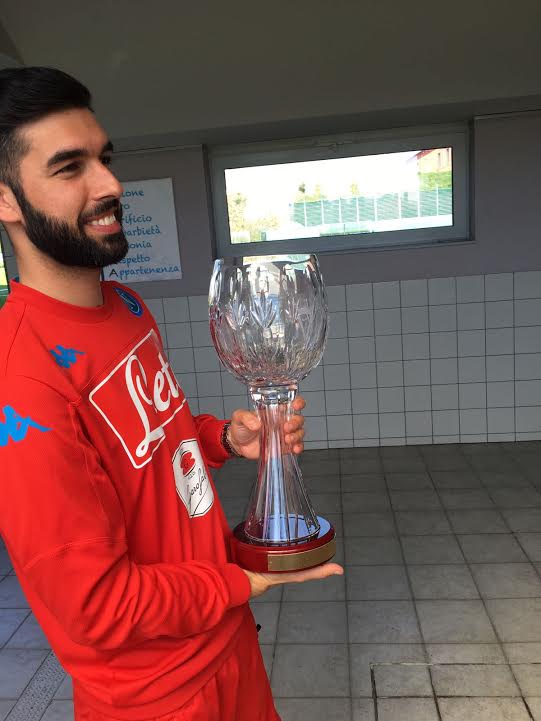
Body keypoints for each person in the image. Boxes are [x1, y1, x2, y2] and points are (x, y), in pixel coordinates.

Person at [0, 67, 343, 721]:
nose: (109, 185)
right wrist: (241, 580)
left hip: (228, 645)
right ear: (5, 200)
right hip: (156, 697)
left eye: (104, 158)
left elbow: (148, 439)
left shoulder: (124, 306)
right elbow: (94, 606)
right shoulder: (20, 383)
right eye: (70, 168)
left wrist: (223, 438)